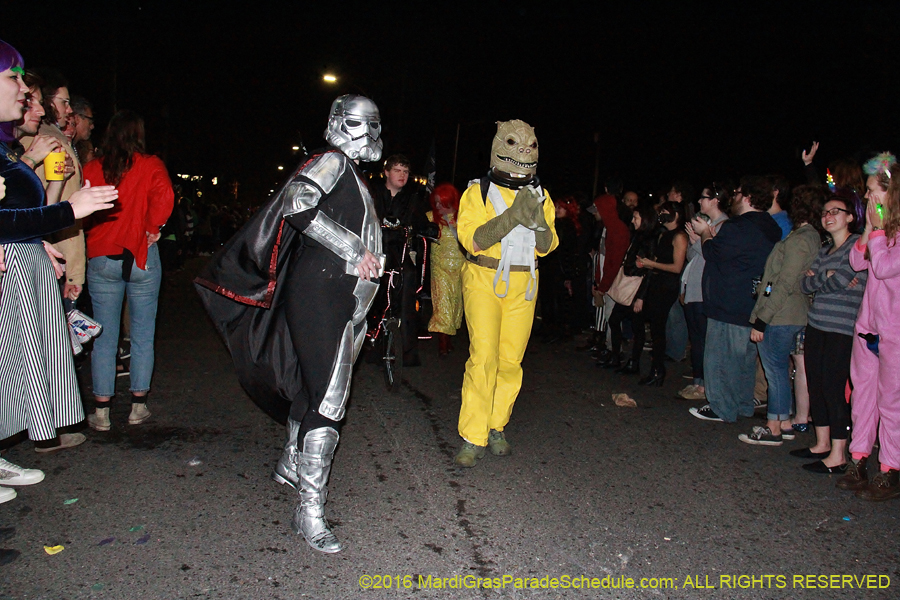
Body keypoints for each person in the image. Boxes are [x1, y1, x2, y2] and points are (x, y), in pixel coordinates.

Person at [196, 95, 385, 552]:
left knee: (313, 384)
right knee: (330, 398)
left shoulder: (348, 171)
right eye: (363, 124)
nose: (371, 134)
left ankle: (290, 461)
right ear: (342, 124)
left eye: (374, 125)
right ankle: (310, 510)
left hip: (336, 296)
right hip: (323, 292)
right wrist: (353, 249)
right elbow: (298, 205)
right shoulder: (333, 161)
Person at [0, 40, 117, 498]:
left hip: (25, 259)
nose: (26, 92)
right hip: (15, 264)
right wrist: (69, 209)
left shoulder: (8, 148)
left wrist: (35, 241)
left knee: (20, 364)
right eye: (14, 79)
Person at [453, 119, 558, 467]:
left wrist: (538, 220)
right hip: (484, 279)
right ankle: (473, 435)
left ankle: (496, 425)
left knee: (511, 361)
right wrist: (512, 217)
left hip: (524, 284)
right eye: (516, 144)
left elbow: (546, 245)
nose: (525, 151)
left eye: (531, 145)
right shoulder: (477, 192)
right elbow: (473, 239)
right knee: (483, 357)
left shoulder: (541, 196)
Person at [81, 110, 174, 431]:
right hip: (141, 254)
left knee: (104, 337)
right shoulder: (150, 164)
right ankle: (137, 406)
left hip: (103, 254)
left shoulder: (93, 167)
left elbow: (83, 208)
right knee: (143, 334)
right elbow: (165, 197)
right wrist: (152, 227)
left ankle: (103, 411)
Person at [688, 176, 782, 422]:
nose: (734, 197)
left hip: (728, 301)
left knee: (721, 357)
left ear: (749, 198)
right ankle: (742, 404)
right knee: (744, 360)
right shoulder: (771, 226)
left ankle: (721, 407)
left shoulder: (739, 226)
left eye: (739, 193)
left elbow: (713, 252)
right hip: (752, 301)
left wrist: (706, 233)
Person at [738, 185, 824, 445]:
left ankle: (773, 426)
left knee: (775, 371)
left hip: (783, 314)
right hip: (790, 312)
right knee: (780, 370)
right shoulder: (806, 236)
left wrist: (762, 318)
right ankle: (784, 420)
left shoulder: (801, 239)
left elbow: (784, 282)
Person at [838, 154, 900, 501]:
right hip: (869, 326)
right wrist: (870, 229)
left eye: (875, 193)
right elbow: (857, 260)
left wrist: (877, 230)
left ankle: (890, 469)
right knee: (862, 394)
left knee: (892, 400)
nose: (870, 199)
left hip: (895, 329)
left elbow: (887, 266)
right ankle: (858, 459)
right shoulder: (879, 230)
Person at [794, 190, 867, 472]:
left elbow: (845, 280)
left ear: (850, 217)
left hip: (842, 328)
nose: (828, 216)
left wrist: (822, 280)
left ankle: (839, 453)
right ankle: (821, 443)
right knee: (816, 383)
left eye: (835, 211)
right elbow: (804, 284)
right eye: (825, 212)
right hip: (817, 324)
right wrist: (827, 278)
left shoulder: (857, 247)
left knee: (833, 388)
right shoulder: (824, 250)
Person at [19, 68, 86, 304]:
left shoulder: (25, 140)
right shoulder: (49, 142)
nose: (69, 110)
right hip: (46, 262)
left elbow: (42, 209)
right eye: (64, 102)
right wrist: (75, 272)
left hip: (39, 252)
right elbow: (64, 214)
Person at [373, 154, 430, 366]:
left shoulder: (413, 198)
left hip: (399, 251)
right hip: (374, 251)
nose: (402, 175)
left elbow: (421, 220)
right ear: (386, 172)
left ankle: (406, 347)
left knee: (409, 277)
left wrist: (427, 228)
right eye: (397, 170)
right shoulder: (372, 193)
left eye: (405, 172)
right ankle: (370, 335)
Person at [678, 183, 730, 401]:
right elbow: (694, 256)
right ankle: (698, 382)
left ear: (715, 200)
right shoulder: (706, 223)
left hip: (706, 291)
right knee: (697, 339)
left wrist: (700, 241)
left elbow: (714, 255)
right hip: (694, 287)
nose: (700, 201)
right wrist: (694, 242)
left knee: (707, 340)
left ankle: (707, 386)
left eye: (704, 197)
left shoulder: (725, 225)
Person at [632, 201, 688, 385]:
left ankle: (658, 371)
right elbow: (656, 259)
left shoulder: (679, 236)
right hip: (656, 282)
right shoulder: (663, 234)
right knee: (653, 327)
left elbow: (677, 267)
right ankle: (656, 369)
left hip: (667, 285)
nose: (662, 214)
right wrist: (646, 262)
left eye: (666, 211)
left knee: (658, 329)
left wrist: (652, 264)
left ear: (676, 215)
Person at [600, 203, 656, 371]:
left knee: (636, 327)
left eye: (636, 217)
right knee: (615, 320)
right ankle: (617, 356)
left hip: (636, 289)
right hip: (630, 286)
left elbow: (649, 271)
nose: (633, 220)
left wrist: (640, 297)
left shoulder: (649, 240)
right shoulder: (638, 236)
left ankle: (633, 362)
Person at [426, 183, 464, 356]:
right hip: (439, 267)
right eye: (437, 203)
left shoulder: (464, 218)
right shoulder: (430, 218)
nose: (440, 207)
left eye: (444, 203)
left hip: (460, 267)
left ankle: (448, 338)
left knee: (455, 304)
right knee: (442, 304)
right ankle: (442, 342)